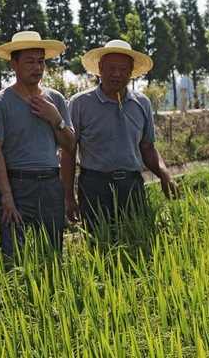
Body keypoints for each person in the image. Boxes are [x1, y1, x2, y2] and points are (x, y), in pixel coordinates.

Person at [61, 39, 178, 237]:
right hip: (94, 186)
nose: (117, 74)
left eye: (123, 69)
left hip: (132, 185)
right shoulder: (80, 103)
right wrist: (68, 196)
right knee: (100, 245)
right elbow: (68, 150)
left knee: (139, 243)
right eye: (111, 68)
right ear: (100, 68)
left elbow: (148, 147)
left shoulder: (141, 103)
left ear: (132, 72)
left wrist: (164, 174)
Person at [0, 31, 75, 256]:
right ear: (14, 64)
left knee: (52, 254)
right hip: (17, 185)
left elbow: (70, 145)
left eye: (41, 62)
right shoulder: (0, 103)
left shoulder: (55, 99)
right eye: (30, 62)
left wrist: (55, 119)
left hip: (51, 185)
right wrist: (6, 195)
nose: (37, 67)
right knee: (13, 254)